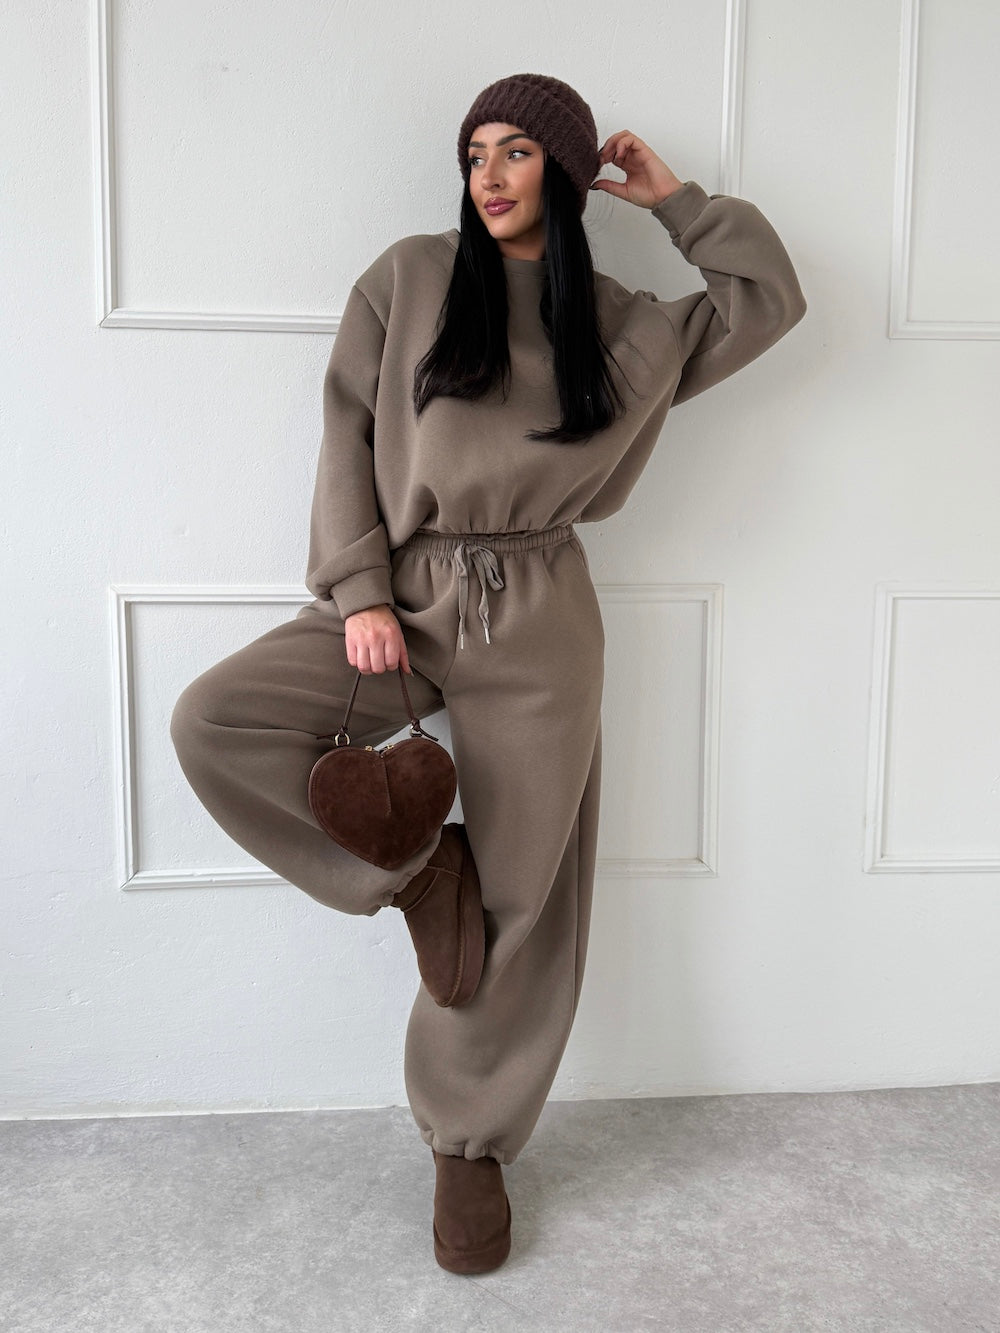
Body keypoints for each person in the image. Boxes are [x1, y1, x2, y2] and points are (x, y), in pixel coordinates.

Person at [169, 72, 807, 1275]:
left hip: (542, 609)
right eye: (475, 153)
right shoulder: (408, 278)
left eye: (517, 151)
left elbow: (767, 298)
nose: (491, 175)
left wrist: (675, 201)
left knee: (526, 896)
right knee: (215, 720)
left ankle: (468, 1146)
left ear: (563, 172)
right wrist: (359, 589)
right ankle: (419, 872)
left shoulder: (620, 324)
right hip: (404, 597)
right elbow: (345, 431)